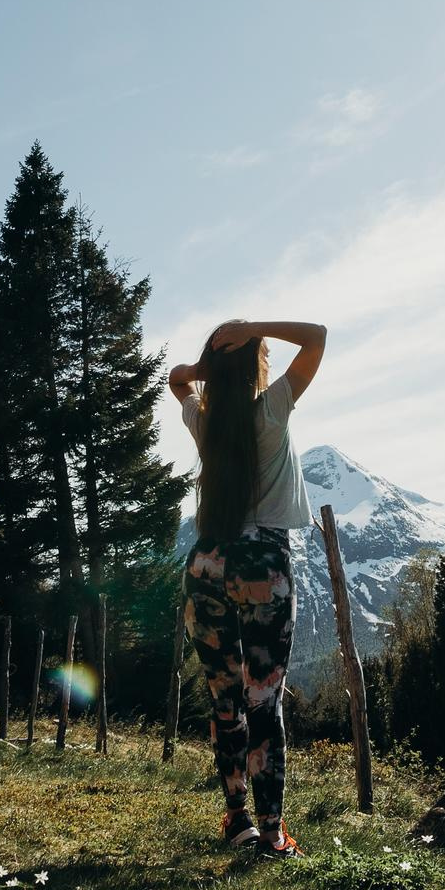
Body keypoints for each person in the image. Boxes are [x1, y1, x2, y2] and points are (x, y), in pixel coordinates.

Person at [167, 317, 326, 859]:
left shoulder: (205, 423)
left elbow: (175, 379)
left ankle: (237, 822)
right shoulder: (272, 410)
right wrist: (253, 326)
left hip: (207, 563)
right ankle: (273, 832)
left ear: (216, 372)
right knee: (264, 699)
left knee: (225, 699)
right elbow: (317, 336)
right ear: (257, 364)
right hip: (263, 564)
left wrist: (203, 366)